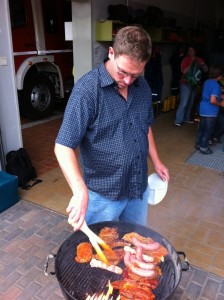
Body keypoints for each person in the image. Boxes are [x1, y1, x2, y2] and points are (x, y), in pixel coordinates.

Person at [54, 26, 169, 231]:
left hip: (137, 189)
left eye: (135, 75)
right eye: (123, 72)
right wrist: (80, 190)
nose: (127, 81)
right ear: (111, 53)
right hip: (102, 195)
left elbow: (145, 127)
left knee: (134, 245)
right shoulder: (87, 91)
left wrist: (157, 160)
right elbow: (63, 146)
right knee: (100, 255)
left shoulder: (142, 87)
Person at [174, 46, 208, 127]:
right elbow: (184, 71)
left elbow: (206, 70)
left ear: (195, 51)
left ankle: (186, 118)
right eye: (189, 50)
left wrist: (202, 65)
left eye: (192, 50)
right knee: (184, 103)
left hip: (194, 84)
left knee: (190, 102)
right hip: (185, 83)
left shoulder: (199, 59)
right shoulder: (185, 59)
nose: (190, 52)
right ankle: (178, 120)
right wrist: (192, 63)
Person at [195, 64, 224, 154]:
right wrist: (221, 103)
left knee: (201, 129)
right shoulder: (216, 86)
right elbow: (212, 100)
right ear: (218, 75)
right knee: (208, 131)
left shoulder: (207, 82)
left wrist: (221, 96)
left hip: (203, 109)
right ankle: (204, 148)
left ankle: (198, 145)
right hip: (210, 111)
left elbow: (210, 94)